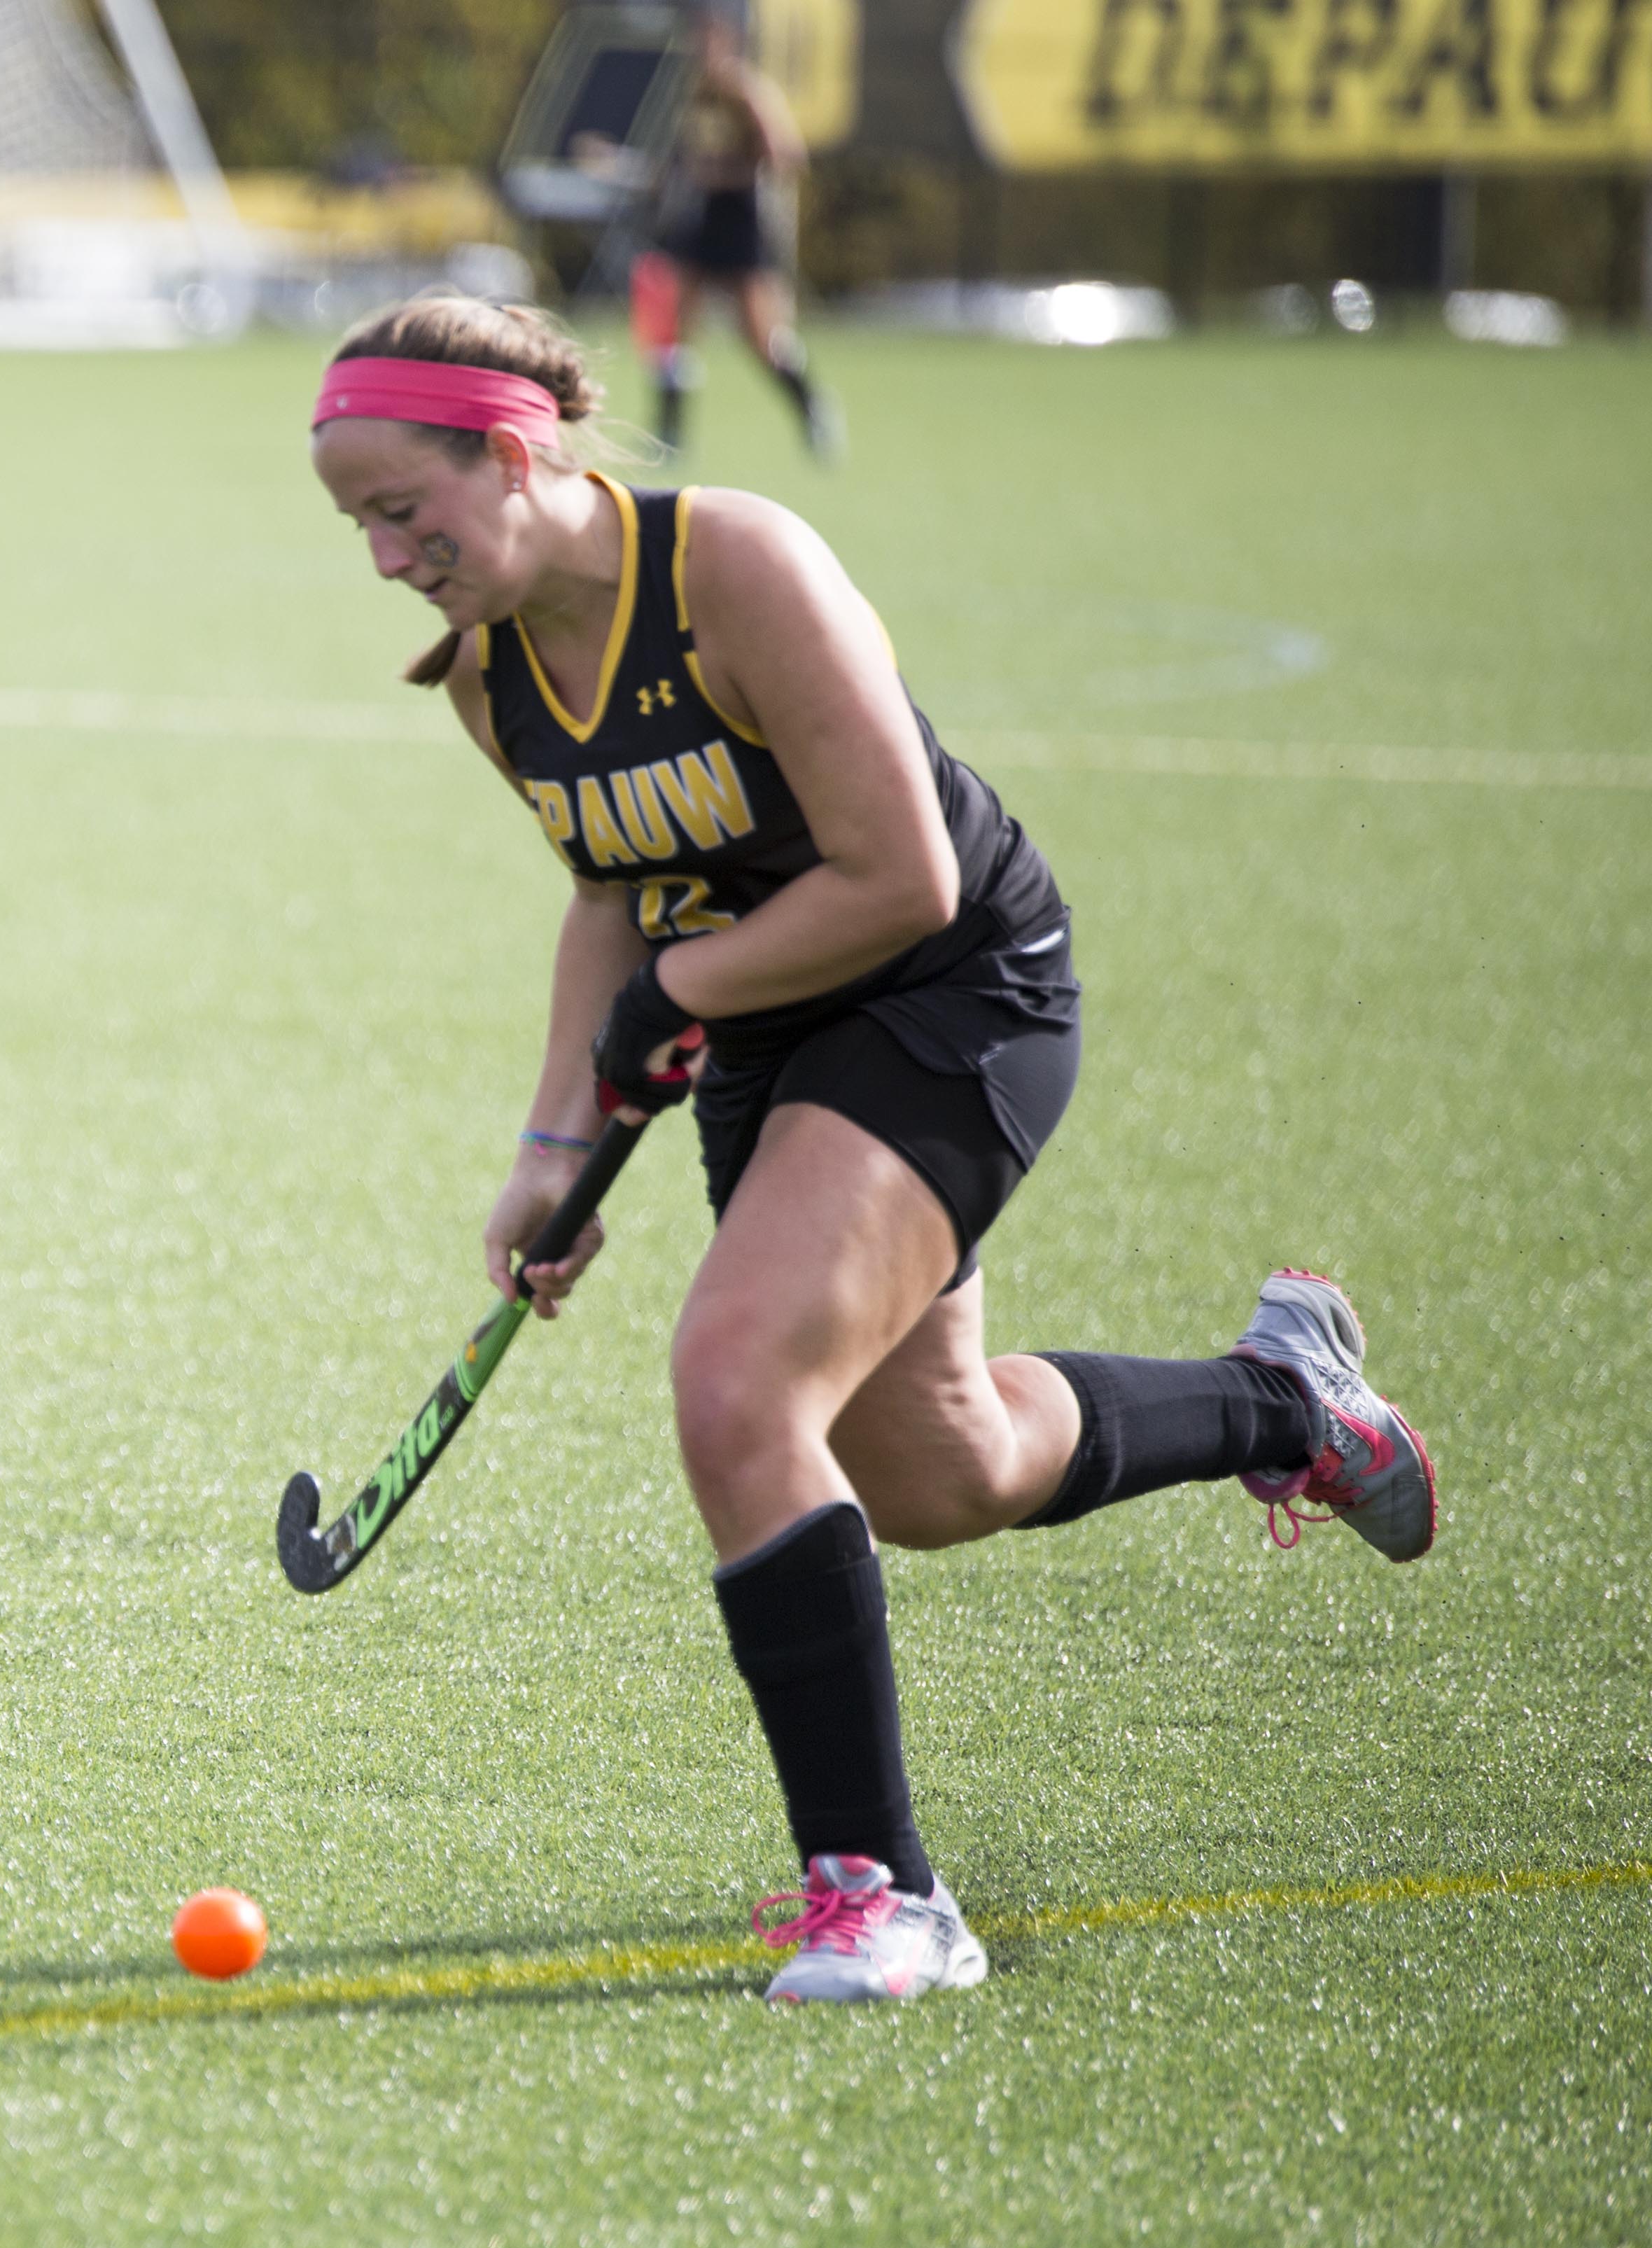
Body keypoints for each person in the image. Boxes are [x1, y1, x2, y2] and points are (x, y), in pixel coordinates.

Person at [305, 297, 1434, 2002]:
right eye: (357, 525)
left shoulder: (737, 570)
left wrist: (679, 987)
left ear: (515, 451)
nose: (386, 555)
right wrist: (553, 1138)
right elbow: (611, 883)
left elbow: (898, 875)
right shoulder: (490, 674)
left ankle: (883, 1892)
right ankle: (1287, 1399)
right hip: (770, 1027)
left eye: (405, 508)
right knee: (937, 1472)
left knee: (733, 1383)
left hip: (948, 987)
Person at [625, 11, 837, 463]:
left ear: (730, 42)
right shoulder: (694, 94)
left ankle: (813, 409)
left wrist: (724, 174)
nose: (703, 51)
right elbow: (682, 162)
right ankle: (670, 437)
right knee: (675, 329)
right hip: (701, 221)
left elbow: (786, 156)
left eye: (710, 41)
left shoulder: (748, 91)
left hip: (741, 222)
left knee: (761, 337)